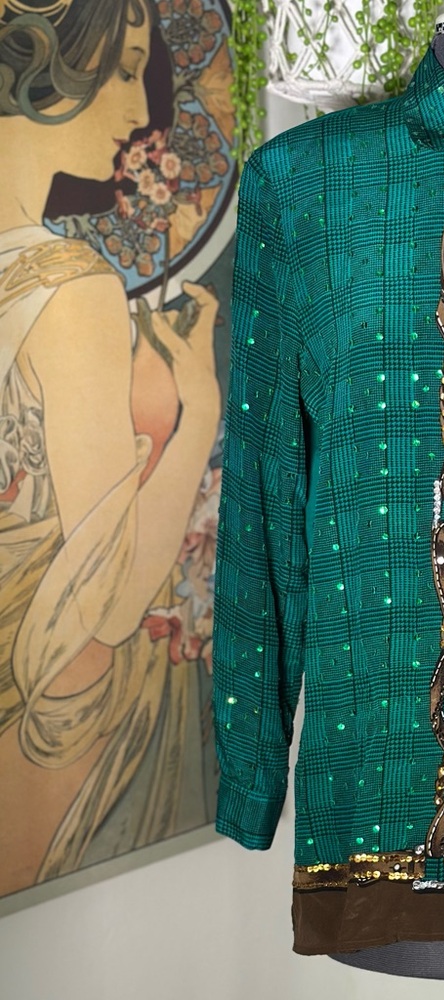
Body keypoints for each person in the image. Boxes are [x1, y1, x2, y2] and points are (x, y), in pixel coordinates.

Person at [0, 0, 220, 896]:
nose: (141, 113)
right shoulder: (74, 288)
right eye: (126, 71)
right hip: (67, 740)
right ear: (49, 69)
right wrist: (200, 407)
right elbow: (112, 604)